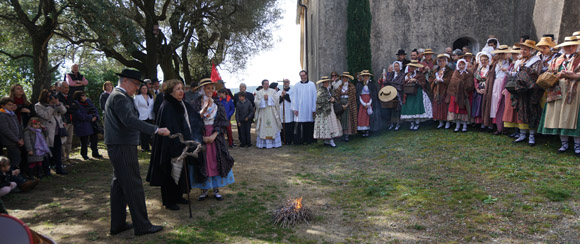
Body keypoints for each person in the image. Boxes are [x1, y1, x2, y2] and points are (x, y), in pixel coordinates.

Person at [105, 69, 169, 236]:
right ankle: (142, 226)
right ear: (125, 80)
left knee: (119, 185)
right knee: (133, 185)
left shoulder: (119, 96)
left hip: (119, 144)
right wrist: (155, 129)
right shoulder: (119, 97)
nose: (137, 88)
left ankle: (117, 224)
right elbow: (129, 120)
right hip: (122, 145)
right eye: (135, 84)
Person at [147, 79, 204, 211]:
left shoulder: (182, 103)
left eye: (182, 89)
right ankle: (169, 200)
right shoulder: (166, 105)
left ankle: (178, 195)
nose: (181, 91)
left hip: (182, 143)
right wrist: (177, 142)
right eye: (178, 89)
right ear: (171, 91)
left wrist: (204, 111)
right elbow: (169, 126)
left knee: (181, 171)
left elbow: (194, 117)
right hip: (169, 144)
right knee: (169, 171)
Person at [190, 78, 235, 201]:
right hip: (201, 135)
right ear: (203, 89)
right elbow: (193, 121)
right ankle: (204, 189)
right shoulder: (195, 104)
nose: (210, 90)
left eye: (212, 88)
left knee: (216, 161)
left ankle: (216, 189)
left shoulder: (218, 104)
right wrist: (202, 137)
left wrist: (214, 135)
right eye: (207, 88)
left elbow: (222, 122)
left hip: (215, 137)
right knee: (203, 162)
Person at [537, 36, 580, 155]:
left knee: (573, 117)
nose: (570, 48)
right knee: (560, 116)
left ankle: (577, 146)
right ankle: (564, 144)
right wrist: (554, 75)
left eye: (573, 46)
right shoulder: (558, 59)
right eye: (567, 46)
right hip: (558, 90)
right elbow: (550, 71)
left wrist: (572, 75)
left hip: (574, 91)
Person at [507, 40, 543, 146]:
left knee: (532, 111)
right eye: (522, 49)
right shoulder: (520, 61)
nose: (523, 51)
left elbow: (535, 74)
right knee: (521, 110)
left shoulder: (536, 61)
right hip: (521, 89)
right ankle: (522, 134)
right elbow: (517, 73)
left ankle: (531, 136)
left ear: (531, 50)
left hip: (532, 90)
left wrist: (523, 71)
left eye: (525, 49)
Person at [35, 90, 67, 175]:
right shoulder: (38, 106)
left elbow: (64, 111)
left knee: (58, 151)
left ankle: (59, 168)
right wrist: (51, 106)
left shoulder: (56, 104)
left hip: (58, 131)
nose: (51, 98)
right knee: (47, 152)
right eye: (49, 96)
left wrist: (58, 103)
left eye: (51, 96)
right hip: (48, 132)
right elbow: (46, 116)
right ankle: (46, 170)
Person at [482, 45, 512, 134]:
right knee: (494, 104)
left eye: (502, 53)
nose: (501, 55)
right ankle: (497, 126)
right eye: (499, 53)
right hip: (496, 84)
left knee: (504, 104)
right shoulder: (495, 63)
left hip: (505, 83)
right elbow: (492, 75)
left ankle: (505, 126)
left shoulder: (509, 62)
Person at [401, 60, 433, 130]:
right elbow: (403, 83)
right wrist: (407, 81)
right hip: (409, 92)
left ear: (416, 67)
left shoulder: (420, 74)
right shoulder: (407, 74)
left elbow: (423, 83)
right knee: (411, 107)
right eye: (411, 66)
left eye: (413, 67)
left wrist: (416, 81)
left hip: (418, 92)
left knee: (417, 107)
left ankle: (417, 123)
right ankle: (412, 122)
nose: (412, 68)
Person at [72, 91, 102, 160]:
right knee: (84, 140)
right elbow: (79, 115)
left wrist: (96, 117)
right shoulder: (76, 104)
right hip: (83, 124)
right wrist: (90, 118)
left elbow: (95, 109)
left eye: (85, 95)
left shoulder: (88, 101)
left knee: (94, 139)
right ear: (79, 96)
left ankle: (95, 153)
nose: (85, 96)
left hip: (93, 124)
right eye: (83, 95)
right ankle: (84, 154)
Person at [446, 59, 474, 132]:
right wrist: (459, 83)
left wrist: (464, 86)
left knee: (464, 110)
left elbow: (470, 83)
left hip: (465, 94)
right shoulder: (455, 73)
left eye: (463, 64)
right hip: (456, 94)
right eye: (460, 65)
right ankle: (457, 125)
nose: (461, 66)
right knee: (457, 109)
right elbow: (453, 82)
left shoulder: (469, 73)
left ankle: (464, 125)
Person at [314, 77, 342, 147]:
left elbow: (335, 97)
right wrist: (329, 99)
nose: (326, 83)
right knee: (327, 125)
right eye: (325, 82)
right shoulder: (320, 90)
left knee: (331, 125)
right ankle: (329, 140)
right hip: (324, 111)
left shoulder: (330, 90)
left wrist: (333, 99)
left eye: (327, 82)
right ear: (323, 83)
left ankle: (329, 140)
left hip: (331, 109)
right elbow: (319, 100)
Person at [254, 79, 282, 148]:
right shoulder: (259, 92)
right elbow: (256, 102)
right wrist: (263, 100)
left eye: (268, 83)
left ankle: (274, 144)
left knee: (273, 126)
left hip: (271, 112)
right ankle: (263, 144)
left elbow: (276, 100)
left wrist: (269, 98)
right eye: (265, 84)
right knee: (263, 127)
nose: (267, 85)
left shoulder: (273, 91)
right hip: (263, 113)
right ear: (262, 85)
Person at [292, 70, 317, 145]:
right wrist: (295, 109)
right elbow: (294, 98)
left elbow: (314, 97)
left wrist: (314, 108)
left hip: (309, 108)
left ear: (306, 75)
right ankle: (299, 140)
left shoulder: (312, 84)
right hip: (299, 108)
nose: (303, 77)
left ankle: (309, 140)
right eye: (301, 76)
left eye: (304, 75)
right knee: (299, 124)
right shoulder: (296, 85)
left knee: (308, 124)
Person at [430, 54, 454, 129]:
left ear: (446, 62)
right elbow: (430, 79)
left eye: (443, 61)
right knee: (438, 106)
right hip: (437, 90)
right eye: (440, 61)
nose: (441, 63)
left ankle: (447, 121)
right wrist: (435, 81)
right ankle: (440, 121)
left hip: (445, 90)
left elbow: (451, 80)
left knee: (445, 105)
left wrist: (443, 80)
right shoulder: (435, 71)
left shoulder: (449, 71)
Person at [0, 97, 24, 170]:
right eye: (9, 105)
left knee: (17, 158)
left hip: (16, 141)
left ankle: (15, 176)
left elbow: (19, 127)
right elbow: (5, 130)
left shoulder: (13, 114)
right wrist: (16, 140)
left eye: (12, 104)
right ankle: (11, 175)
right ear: (3, 106)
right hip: (9, 142)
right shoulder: (2, 115)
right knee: (15, 159)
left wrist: (21, 138)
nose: (11, 106)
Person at [356, 70, 382, 136]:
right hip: (362, 102)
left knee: (369, 116)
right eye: (364, 76)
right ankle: (362, 130)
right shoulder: (359, 84)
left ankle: (368, 130)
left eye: (367, 76)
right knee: (362, 116)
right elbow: (358, 95)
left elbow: (373, 94)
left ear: (369, 77)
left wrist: (369, 103)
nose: (365, 77)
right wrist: (363, 103)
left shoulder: (371, 84)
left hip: (370, 102)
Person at [381, 62, 404, 131]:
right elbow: (386, 81)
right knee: (391, 109)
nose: (396, 67)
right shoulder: (392, 74)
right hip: (390, 93)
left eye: (397, 66)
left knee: (397, 108)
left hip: (398, 93)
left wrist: (391, 83)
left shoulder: (402, 74)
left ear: (400, 67)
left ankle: (398, 123)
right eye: (395, 66)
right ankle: (392, 123)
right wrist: (385, 79)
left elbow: (400, 83)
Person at [334, 72, 358, 140]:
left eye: (345, 78)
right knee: (342, 118)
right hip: (341, 104)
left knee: (348, 118)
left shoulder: (351, 86)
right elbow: (337, 95)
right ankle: (342, 133)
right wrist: (341, 105)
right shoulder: (340, 87)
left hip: (349, 104)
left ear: (348, 78)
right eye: (343, 77)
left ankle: (348, 133)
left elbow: (352, 96)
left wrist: (347, 104)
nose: (344, 79)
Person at [471, 52, 492, 127]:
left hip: (488, 90)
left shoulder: (490, 70)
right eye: (482, 60)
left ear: (488, 60)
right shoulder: (478, 70)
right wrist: (477, 89)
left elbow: (491, 80)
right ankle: (479, 122)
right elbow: (475, 80)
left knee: (486, 106)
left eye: (485, 60)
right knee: (478, 106)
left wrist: (486, 89)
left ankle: (487, 123)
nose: (483, 61)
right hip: (479, 90)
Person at [57, 81, 74, 163]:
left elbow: (74, 108)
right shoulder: (58, 97)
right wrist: (68, 108)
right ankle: (62, 158)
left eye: (68, 87)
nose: (67, 89)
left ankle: (67, 157)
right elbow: (63, 110)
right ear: (60, 88)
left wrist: (68, 107)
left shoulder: (70, 96)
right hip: (63, 121)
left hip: (71, 121)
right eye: (65, 87)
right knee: (63, 141)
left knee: (69, 141)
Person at [134, 84, 154, 152]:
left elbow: (152, 106)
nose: (145, 89)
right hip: (142, 116)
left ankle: (148, 146)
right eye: (143, 88)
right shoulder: (137, 97)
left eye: (146, 88)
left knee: (149, 131)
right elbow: (135, 106)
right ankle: (144, 147)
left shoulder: (150, 96)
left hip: (150, 116)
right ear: (140, 89)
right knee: (143, 132)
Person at [278, 79, 294, 144]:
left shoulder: (292, 91)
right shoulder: (279, 92)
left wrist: (286, 95)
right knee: (283, 126)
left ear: (289, 83)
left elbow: (293, 100)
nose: (286, 83)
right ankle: (283, 139)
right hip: (282, 110)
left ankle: (289, 140)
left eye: (287, 82)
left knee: (289, 126)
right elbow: (277, 101)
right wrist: (281, 96)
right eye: (284, 82)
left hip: (289, 110)